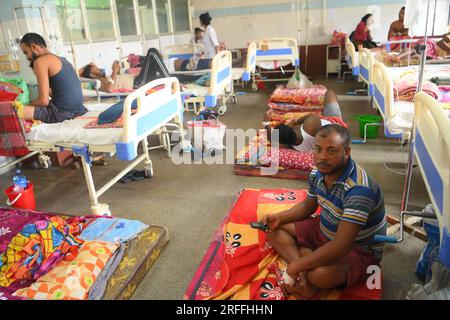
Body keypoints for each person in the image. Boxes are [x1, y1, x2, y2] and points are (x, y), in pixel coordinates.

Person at [261, 124, 386, 299]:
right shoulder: (317, 171)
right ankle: (306, 270)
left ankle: (307, 267)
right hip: (324, 228)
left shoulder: (359, 189)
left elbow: (343, 244)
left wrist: (294, 268)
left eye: (331, 151)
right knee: (272, 228)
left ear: (347, 152)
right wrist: (279, 217)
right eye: (318, 149)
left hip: (357, 249)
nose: (322, 157)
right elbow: (308, 206)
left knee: (319, 275)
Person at [20, 33, 86, 123]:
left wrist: (26, 104)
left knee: (13, 110)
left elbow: (43, 101)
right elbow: (56, 93)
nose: (27, 57)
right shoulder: (63, 59)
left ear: (33, 47)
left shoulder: (40, 62)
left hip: (61, 113)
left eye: (26, 52)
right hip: (79, 110)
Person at [271, 90, 342, 152]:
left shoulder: (292, 148)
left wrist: (266, 124)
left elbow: (274, 138)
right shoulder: (310, 125)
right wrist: (296, 121)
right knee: (330, 93)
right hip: (334, 124)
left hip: (326, 136)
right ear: (291, 128)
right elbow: (313, 115)